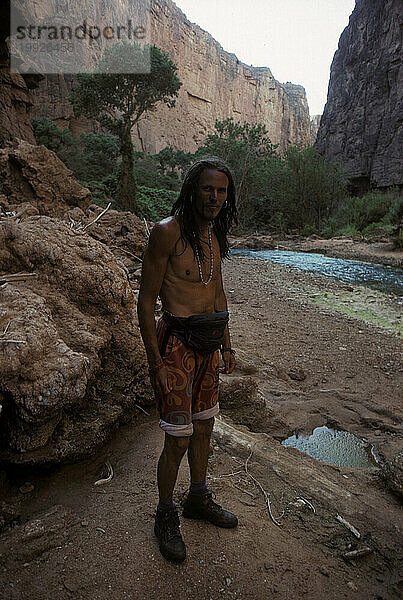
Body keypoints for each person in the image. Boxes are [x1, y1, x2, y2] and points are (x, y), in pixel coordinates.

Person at [137, 158, 239, 563]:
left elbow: (217, 291)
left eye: (222, 191)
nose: (215, 198)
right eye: (208, 189)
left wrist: (227, 345)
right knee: (177, 437)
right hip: (176, 346)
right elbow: (146, 304)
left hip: (209, 347)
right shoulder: (167, 233)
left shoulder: (214, 234)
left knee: (204, 427)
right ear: (192, 189)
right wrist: (155, 365)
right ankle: (165, 514)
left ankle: (197, 498)